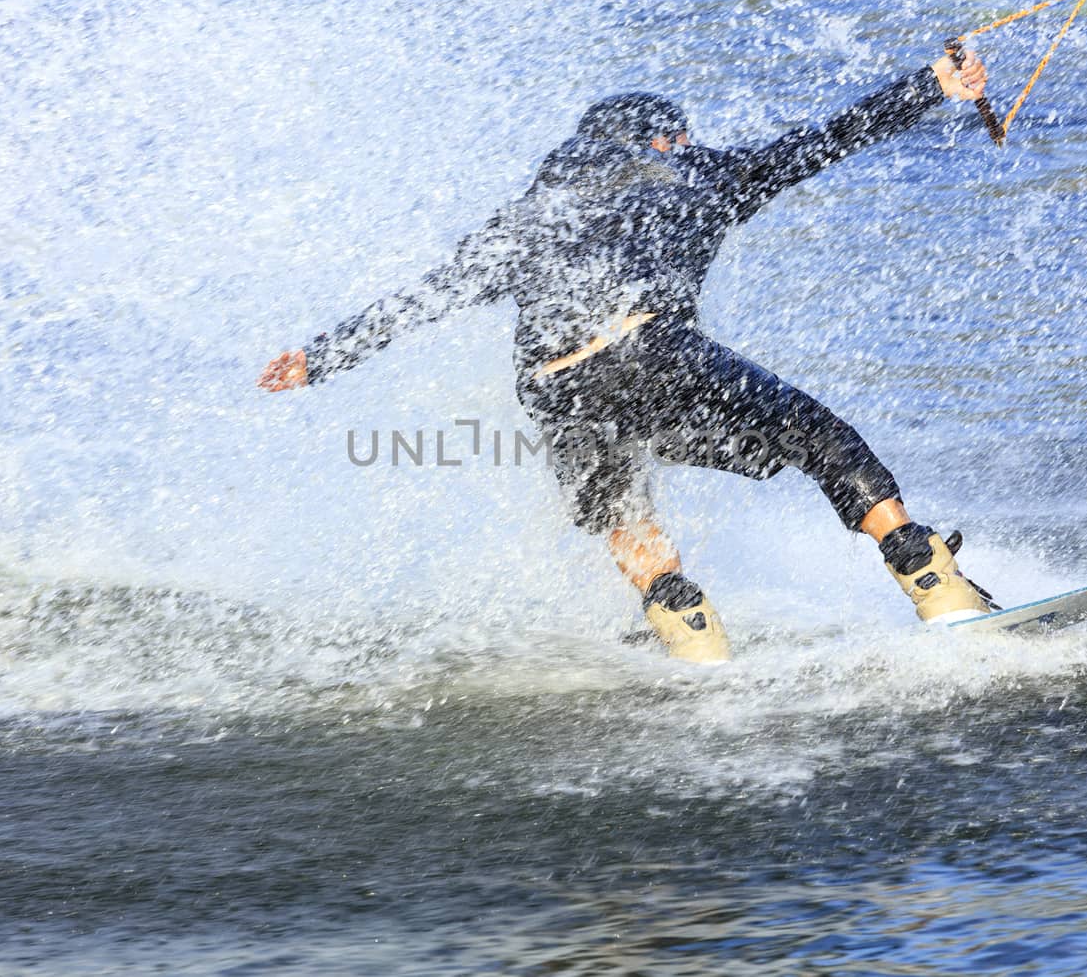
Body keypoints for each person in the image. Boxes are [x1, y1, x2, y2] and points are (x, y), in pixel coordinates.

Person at [260, 48, 999, 663]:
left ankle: (689, 630)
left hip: (554, 386)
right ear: (664, 141)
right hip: (649, 347)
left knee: (620, 502)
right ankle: (928, 574)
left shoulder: (529, 214)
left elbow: (431, 295)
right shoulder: (699, 174)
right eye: (680, 139)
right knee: (816, 435)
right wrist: (931, 84)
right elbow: (822, 140)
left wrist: (321, 357)